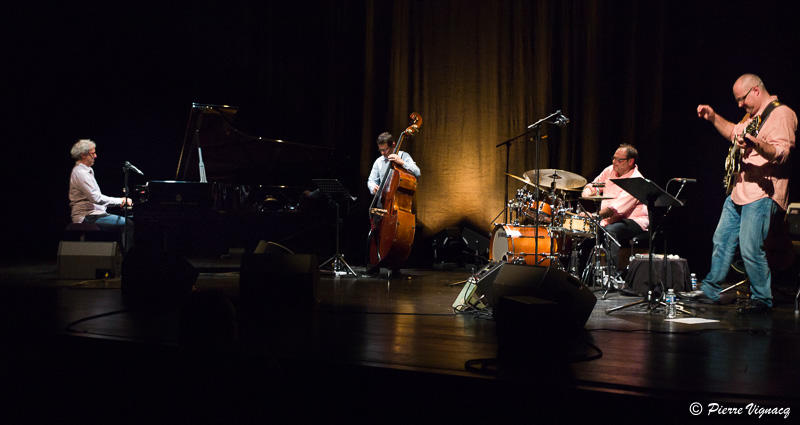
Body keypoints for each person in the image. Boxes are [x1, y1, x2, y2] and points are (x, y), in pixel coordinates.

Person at [696, 73, 797, 313]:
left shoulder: (781, 114)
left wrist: (756, 145)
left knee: (751, 247)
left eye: (742, 99)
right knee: (721, 239)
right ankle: (710, 289)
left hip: (762, 192)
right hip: (739, 190)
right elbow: (733, 132)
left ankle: (762, 299)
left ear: (755, 91)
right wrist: (713, 118)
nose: (740, 104)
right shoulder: (753, 116)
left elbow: (782, 152)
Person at [581, 144, 649, 273]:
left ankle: (610, 275)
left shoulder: (637, 181)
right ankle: (584, 275)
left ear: (631, 161)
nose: (614, 162)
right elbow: (595, 185)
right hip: (608, 219)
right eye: (613, 158)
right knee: (584, 234)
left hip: (633, 221)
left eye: (619, 160)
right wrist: (587, 191)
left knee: (610, 231)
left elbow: (615, 209)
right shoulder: (610, 170)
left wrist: (594, 217)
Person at [68, 139, 134, 250]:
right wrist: (121, 201)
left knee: (125, 222)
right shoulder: (80, 173)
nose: (95, 156)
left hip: (95, 214)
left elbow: (96, 199)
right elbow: (96, 198)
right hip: (87, 216)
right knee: (128, 224)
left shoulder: (87, 171)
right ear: (83, 155)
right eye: (92, 153)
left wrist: (119, 203)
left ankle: (116, 257)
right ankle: (126, 261)